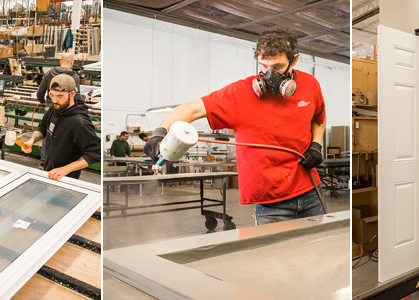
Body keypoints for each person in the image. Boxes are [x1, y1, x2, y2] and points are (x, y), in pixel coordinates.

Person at [144, 28, 326, 225]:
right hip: (271, 203)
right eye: (263, 66)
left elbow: (319, 117)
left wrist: (316, 145)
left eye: (278, 66)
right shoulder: (240, 94)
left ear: (295, 60)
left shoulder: (311, 85)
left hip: (311, 191)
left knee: (318, 252)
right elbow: (192, 109)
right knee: (275, 255)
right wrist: (159, 133)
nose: (270, 74)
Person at [23, 74, 100, 180]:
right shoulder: (54, 109)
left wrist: (65, 169)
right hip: (50, 171)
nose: (54, 100)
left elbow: (95, 153)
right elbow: (43, 126)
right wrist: (32, 140)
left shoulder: (80, 123)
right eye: (52, 95)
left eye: (59, 96)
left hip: (66, 178)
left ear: (72, 94)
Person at [36, 53, 84, 167]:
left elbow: (40, 92)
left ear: (60, 62)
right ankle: (62, 162)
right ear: (71, 62)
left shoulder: (49, 73)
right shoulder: (74, 76)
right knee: (64, 135)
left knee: (48, 131)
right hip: (67, 111)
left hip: (51, 107)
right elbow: (76, 97)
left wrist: (45, 102)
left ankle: (44, 160)